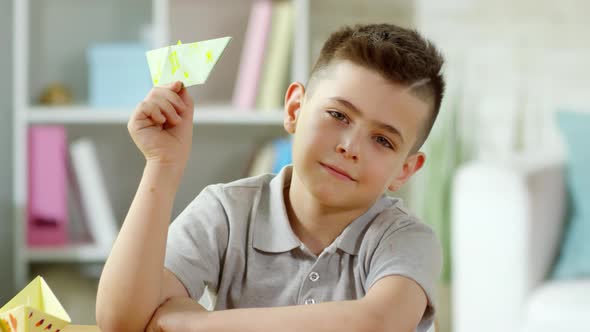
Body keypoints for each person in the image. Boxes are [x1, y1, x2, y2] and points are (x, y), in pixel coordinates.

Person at [96, 23, 445, 332]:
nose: (350, 147)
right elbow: (122, 321)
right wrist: (162, 164)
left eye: (382, 140)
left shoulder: (406, 241)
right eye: (338, 115)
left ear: (405, 169)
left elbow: (379, 323)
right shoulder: (227, 211)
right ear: (295, 109)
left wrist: (198, 323)